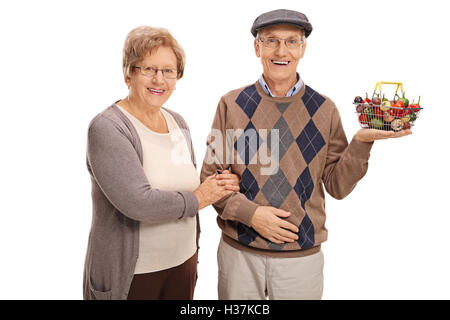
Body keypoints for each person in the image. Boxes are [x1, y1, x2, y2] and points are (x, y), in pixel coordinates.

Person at [200, 9, 411, 300]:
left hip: (301, 261)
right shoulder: (231, 104)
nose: (281, 50)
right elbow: (211, 181)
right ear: (257, 47)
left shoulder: (324, 109)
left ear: (303, 48)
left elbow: (337, 186)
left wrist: (361, 142)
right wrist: (253, 215)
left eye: (291, 41)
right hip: (239, 255)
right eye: (271, 40)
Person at [83, 26, 240, 300]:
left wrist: (219, 184)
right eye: (148, 69)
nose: (159, 79)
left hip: (183, 264)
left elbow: (189, 185)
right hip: (134, 276)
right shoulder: (108, 127)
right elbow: (138, 203)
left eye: (169, 71)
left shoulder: (178, 122)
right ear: (128, 73)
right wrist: (200, 198)